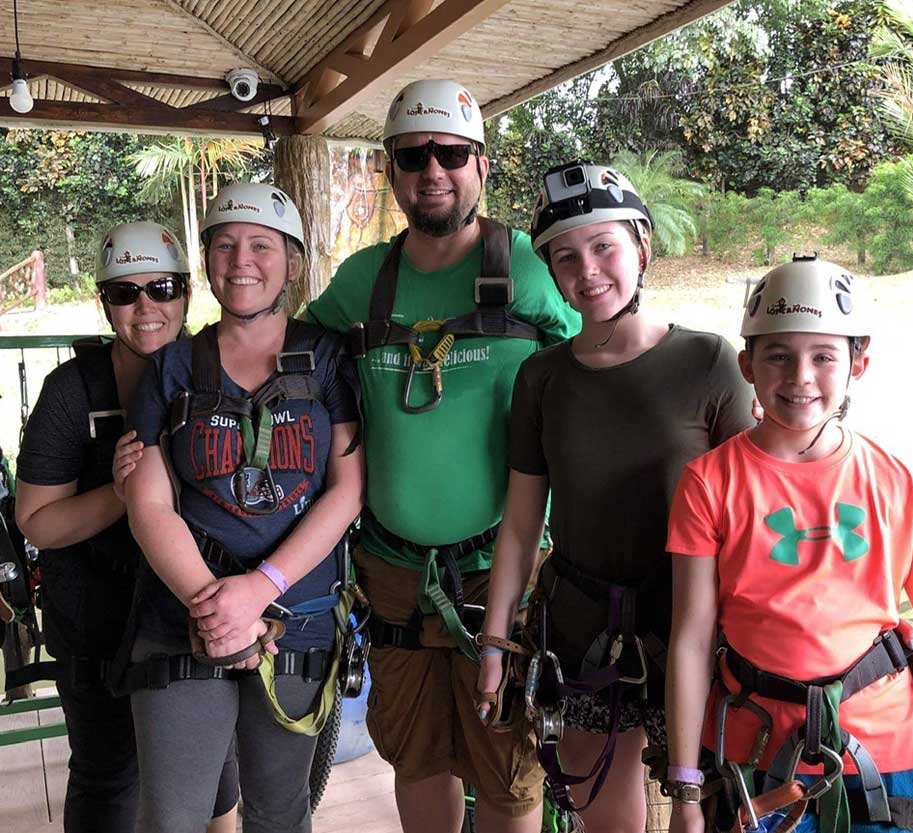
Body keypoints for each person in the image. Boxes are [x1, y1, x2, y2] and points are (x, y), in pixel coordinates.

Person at [305, 79, 580, 833]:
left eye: (451, 152)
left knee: (506, 768)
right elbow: (290, 353)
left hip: (503, 568)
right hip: (394, 573)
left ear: (481, 166)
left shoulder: (527, 269)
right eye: (413, 155)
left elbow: (600, 361)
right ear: (391, 171)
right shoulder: (364, 282)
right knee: (416, 756)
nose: (434, 169)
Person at [665, 256, 913, 833]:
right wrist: (685, 787)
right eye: (779, 355)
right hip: (756, 753)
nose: (800, 377)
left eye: (824, 356)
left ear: (858, 364)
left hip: (884, 753)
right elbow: (691, 640)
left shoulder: (895, 480)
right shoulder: (709, 482)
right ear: (747, 364)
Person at [474, 161, 755, 833]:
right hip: (582, 624)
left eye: (604, 246)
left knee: (713, 804)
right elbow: (519, 524)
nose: (587, 270)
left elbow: (758, 506)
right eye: (565, 257)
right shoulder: (542, 378)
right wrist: (493, 638)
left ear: (642, 248)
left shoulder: (709, 362)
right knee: (603, 810)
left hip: (696, 616)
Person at [123, 183, 364, 833]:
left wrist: (258, 590)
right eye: (224, 245)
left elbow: (348, 488)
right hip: (184, 618)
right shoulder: (173, 368)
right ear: (206, 261)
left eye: (261, 245)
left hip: (296, 621)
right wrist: (215, 603)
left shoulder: (326, 358)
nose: (241, 261)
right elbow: (147, 500)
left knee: (279, 813)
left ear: (291, 260)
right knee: (173, 814)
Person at [14, 221, 238, 833]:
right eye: (124, 293)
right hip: (97, 613)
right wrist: (124, 494)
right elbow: (36, 520)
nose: (146, 308)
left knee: (217, 774)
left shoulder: (221, 367)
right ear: (103, 302)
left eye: (162, 288)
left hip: (191, 607)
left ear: (187, 293)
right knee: (108, 778)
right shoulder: (73, 391)